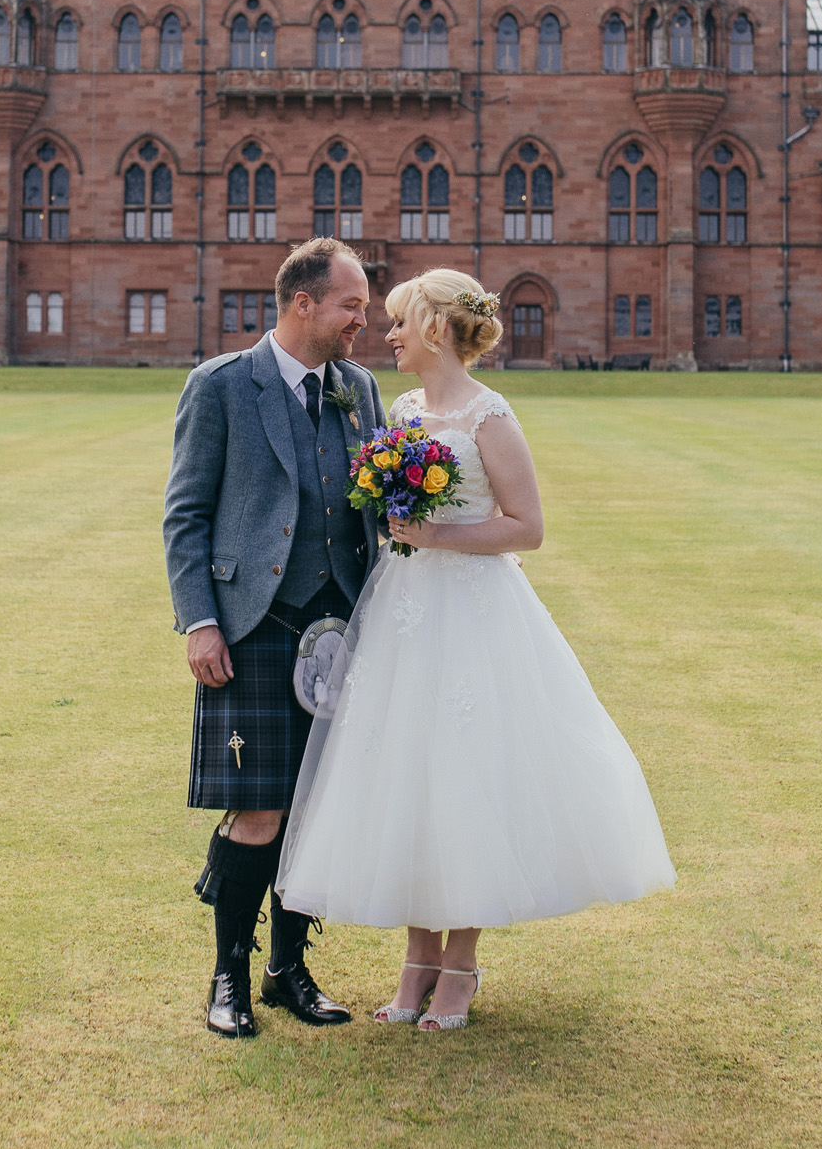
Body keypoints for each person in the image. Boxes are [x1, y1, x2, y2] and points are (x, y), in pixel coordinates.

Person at [278, 270, 674, 1033]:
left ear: (433, 328)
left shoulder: (489, 415)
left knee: (467, 772)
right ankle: (416, 960)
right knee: (410, 775)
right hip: (405, 610)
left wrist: (439, 535)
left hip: (474, 611)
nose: (386, 334)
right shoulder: (400, 409)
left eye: (398, 321)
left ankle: (459, 962)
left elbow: (526, 526)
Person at [162, 237, 387, 1039]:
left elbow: (374, 513)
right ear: (304, 304)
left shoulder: (359, 389)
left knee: (318, 808)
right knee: (259, 811)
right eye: (352, 305)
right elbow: (184, 514)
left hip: (341, 631)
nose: (366, 319)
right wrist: (199, 619)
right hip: (253, 625)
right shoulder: (222, 386)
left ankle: (288, 967)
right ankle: (228, 975)